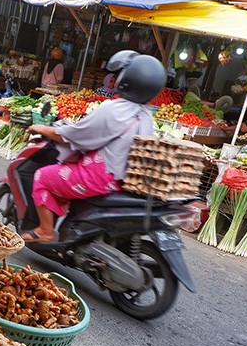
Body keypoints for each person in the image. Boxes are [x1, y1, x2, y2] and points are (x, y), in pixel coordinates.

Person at [21, 54, 166, 242]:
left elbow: (75, 135)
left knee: (42, 177)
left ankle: (45, 230)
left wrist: (42, 128)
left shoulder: (113, 109)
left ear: (127, 79)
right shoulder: (147, 116)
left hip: (97, 176)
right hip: (119, 180)